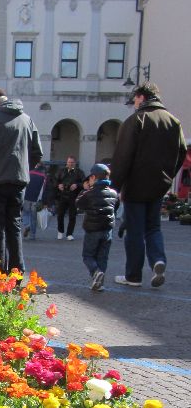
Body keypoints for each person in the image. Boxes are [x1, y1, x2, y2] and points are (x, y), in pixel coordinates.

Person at [110, 81, 187, 288]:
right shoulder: (173, 122)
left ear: (142, 97)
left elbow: (122, 157)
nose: (133, 103)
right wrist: (168, 176)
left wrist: (114, 187)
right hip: (159, 184)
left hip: (136, 185)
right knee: (153, 227)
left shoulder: (136, 120)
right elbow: (181, 153)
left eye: (134, 99)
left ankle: (133, 275)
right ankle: (158, 260)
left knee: (134, 230)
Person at [0, 88, 42, 273]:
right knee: (14, 226)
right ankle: (17, 272)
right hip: (18, 182)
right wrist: (22, 169)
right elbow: (37, 153)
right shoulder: (27, 120)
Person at [76, 163, 118, 292]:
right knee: (102, 257)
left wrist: (85, 189)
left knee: (88, 255)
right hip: (107, 230)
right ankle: (100, 283)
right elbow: (114, 208)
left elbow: (78, 204)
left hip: (92, 229)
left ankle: (95, 272)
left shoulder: (90, 193)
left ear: (94, 177)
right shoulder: (113, 193)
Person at [55, 155, 85, 240]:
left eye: (72, 162)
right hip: (62, 195)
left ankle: (69, 234)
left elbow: (84, 183)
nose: (70, 164)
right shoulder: (61, 171)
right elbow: (54, 180)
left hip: (74, 196)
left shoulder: (79, 172)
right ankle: (60, 231)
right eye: (69, 162)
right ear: (66, 162)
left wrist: (77, 185)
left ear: (75, 163)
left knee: (72, 216)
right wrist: (58, 185)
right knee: (60, 215)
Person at [22, 162, 46, 240]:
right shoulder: (43, 177)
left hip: (26, 197)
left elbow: (24, 185)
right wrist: (40, 199)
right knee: (33, 217)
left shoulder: (29, 173)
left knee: (25, 213)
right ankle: (32, 235)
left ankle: (27, 225)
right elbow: (42, 189)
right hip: (35, 199)